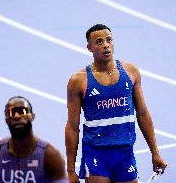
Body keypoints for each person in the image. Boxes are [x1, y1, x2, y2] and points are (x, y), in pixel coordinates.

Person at [65, 24, 167, 183]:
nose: (105, 45)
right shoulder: (79, 80)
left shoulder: (130, 72)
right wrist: (71, 171)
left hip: (125, 152)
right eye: (98, 42)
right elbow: (72, 126)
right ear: (89, 48)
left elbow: (142, 113)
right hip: (96, 153)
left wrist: (155, 152)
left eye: (108, 40)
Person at [0, 96, 68, 183]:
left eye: (22, 111)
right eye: (11, 113)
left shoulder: (51, 156)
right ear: (7, 120)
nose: (16, 116)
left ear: (32, 117)